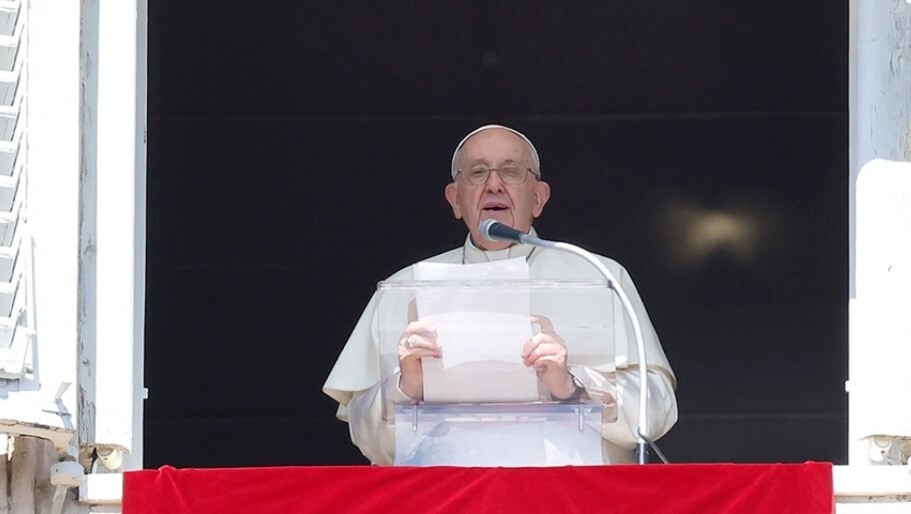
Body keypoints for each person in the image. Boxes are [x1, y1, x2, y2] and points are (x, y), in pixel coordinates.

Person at [323, 124, 677, 465]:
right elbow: (366, 441)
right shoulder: (403, 287)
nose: (493, 185)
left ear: (538, 197)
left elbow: (657, 411)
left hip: (572, 500)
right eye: (477, 173)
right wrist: (407, 386)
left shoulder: (599, 275)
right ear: (455, 200)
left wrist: (572, 385)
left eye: (510, 171)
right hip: (449, 499)